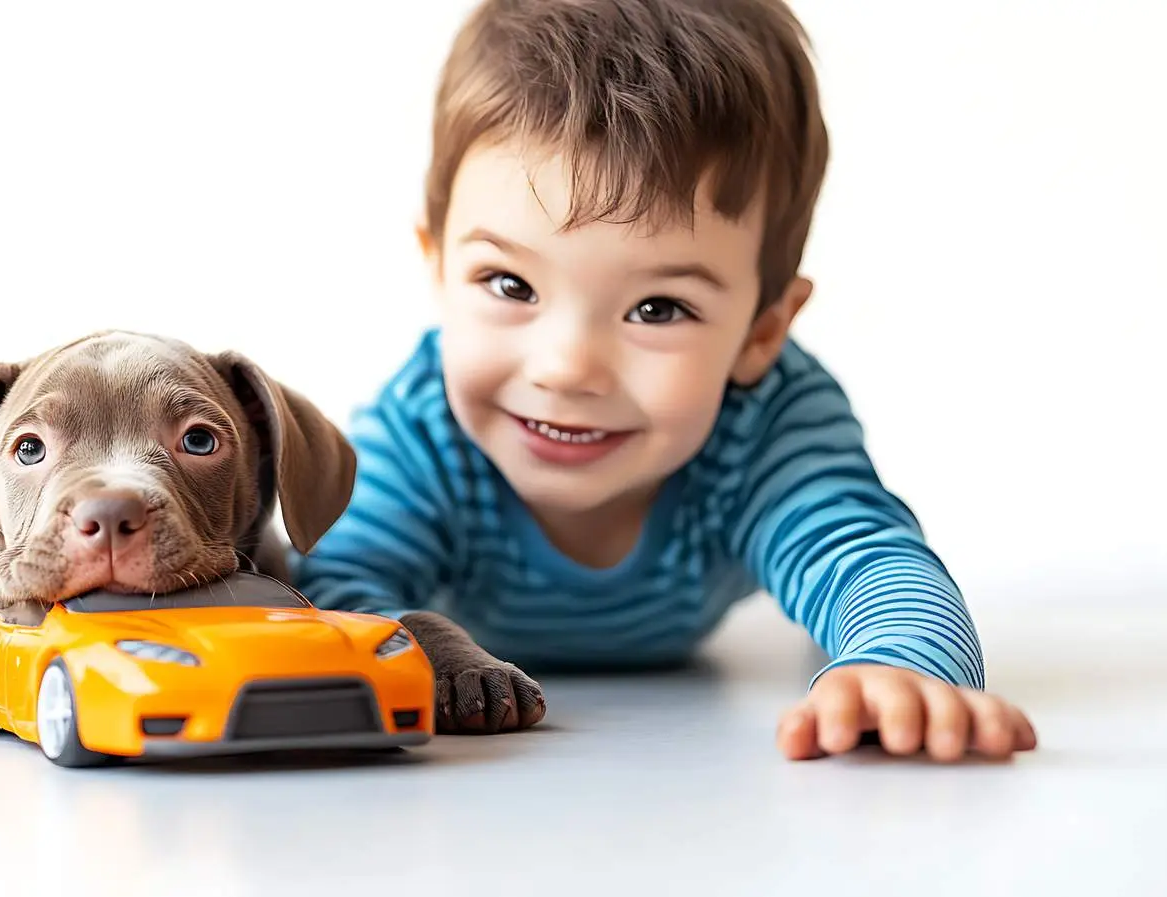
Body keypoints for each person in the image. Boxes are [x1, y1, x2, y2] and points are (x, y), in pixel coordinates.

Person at [288, 0, 1037, 762]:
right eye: (510, 284)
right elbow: (338, 589)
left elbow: (873, 563)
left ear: (763, 331)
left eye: (658, 308)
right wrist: (430, 653)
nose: (567, 367)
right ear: (439, 269)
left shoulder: (762, 424)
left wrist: (896, 671)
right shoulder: (425, 431)